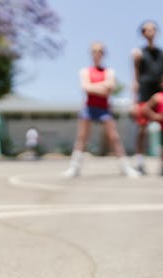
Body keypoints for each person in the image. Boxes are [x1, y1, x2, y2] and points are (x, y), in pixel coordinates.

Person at [63, 42, 139, 178]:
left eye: (100, 51)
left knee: (114, 137)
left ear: (104, 54)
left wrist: (94, 87)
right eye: (94, 51)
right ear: (91, 54)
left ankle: (125, 167)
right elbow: (85, 87)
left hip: (104, 109)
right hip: (88, 108)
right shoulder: (85, 71)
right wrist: (101, 87)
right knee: (81, 137)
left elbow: (109, 88)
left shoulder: (109, 71)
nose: (97, 53)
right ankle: (74, 168)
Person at [132, 20, 163, 174]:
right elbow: (135, 78)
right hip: (144, 95)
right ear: (142, 33)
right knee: (142, 129)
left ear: (157, 32)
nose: (150, 32)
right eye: (147, 30)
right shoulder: (138, 54)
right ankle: (140, 162)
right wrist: (134, 101)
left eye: (153, 29)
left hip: (160, 96)